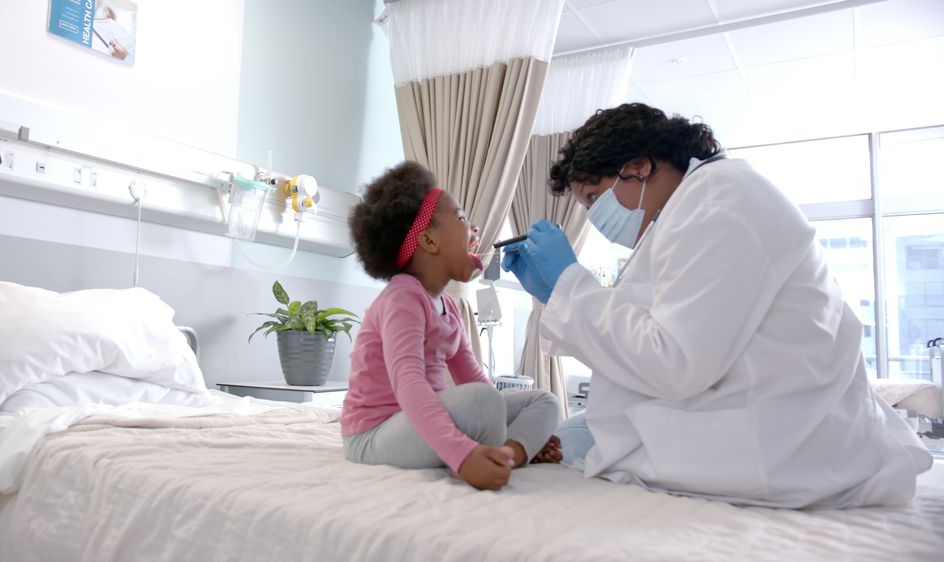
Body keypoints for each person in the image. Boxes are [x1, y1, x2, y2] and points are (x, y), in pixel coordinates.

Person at [501, 103, 932, 508]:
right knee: (571, 434)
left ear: (637, 167)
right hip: (750, 415)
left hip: (779, 441)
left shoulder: (718, 199)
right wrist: (556, 293)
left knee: (572, 441)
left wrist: (570, 286)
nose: (595, 217)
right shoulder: (685, 212)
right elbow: (648, 333)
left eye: (594, 198)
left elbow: (674, 360)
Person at [342, 161, 563, 491]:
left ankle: (508, 455)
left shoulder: (446, 305)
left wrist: (521, 431)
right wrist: (460, 454)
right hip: (374, 434)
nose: (473, 229)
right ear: (429, 241)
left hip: (416, 425)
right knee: (483, 402)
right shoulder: (402, 299)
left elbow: (475, 379)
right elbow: (410, 385)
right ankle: (490, 455)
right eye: (461, 218)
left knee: (543, 401)